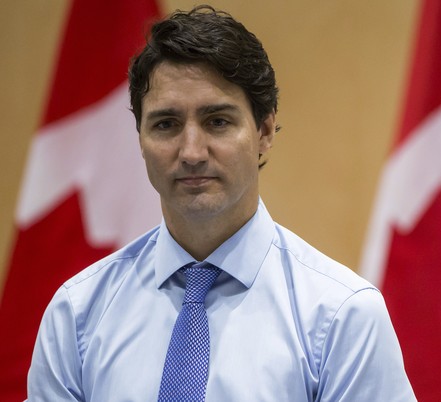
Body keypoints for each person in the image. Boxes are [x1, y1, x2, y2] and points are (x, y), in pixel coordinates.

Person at [27, 5, 416, 401]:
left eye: (217, 121)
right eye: (166, 124)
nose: (192, 152)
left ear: (264, 130)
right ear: (140, 138)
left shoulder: (340, 316)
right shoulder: (77, 314)